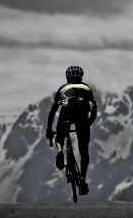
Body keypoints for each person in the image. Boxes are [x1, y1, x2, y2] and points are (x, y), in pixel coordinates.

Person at [46, 66, 97, 195]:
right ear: (81, 77)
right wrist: (88, 124)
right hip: (82, 119)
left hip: (65, 116)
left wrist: (49, 129)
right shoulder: (87, 88)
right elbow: (94, 109)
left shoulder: (63, 88)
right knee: (84, 151)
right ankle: (82, 179)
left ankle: (59, 151)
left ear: (67, 77)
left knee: (59, 138)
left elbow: (52, 112)